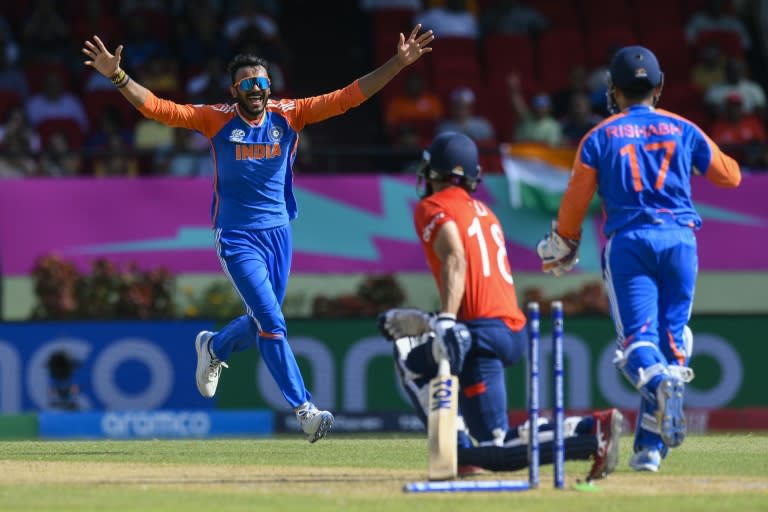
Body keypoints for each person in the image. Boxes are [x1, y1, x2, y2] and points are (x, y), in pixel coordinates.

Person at [81, 26, 434, 443]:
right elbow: (160, 109)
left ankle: (213, 348)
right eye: (248, 83)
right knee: (272, 321)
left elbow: (349, 96)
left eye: (262, 82)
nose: (256, 88)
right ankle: (305, 410)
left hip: (280, 233)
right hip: (236, 237)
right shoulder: (217, 119)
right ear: (235, 90)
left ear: (270, 87)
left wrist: (398, 63)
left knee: (263, 323)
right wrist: (119, 77)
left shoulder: (290, 114)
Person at [536, 46, 741, 472]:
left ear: (613, 89)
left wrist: (565, 240)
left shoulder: (600, 136)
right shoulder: (683, 128)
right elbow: (730, 176)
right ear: (660, 86)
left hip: (630, 244)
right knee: (673, 340)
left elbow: (576, 198)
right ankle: (649, 449)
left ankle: (662, 383)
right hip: (681, 241)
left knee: (638, 344)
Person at [378, 131, 623, 480]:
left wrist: (443, 321)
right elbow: (476, 280)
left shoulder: (433, 206)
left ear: (436, 171)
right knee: (497, 437)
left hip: (478, 332)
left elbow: (456, 259)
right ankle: (578, 429)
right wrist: (429, 320)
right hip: (502, 328)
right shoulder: (485, 212)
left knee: (411, 360)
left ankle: (583, 436)